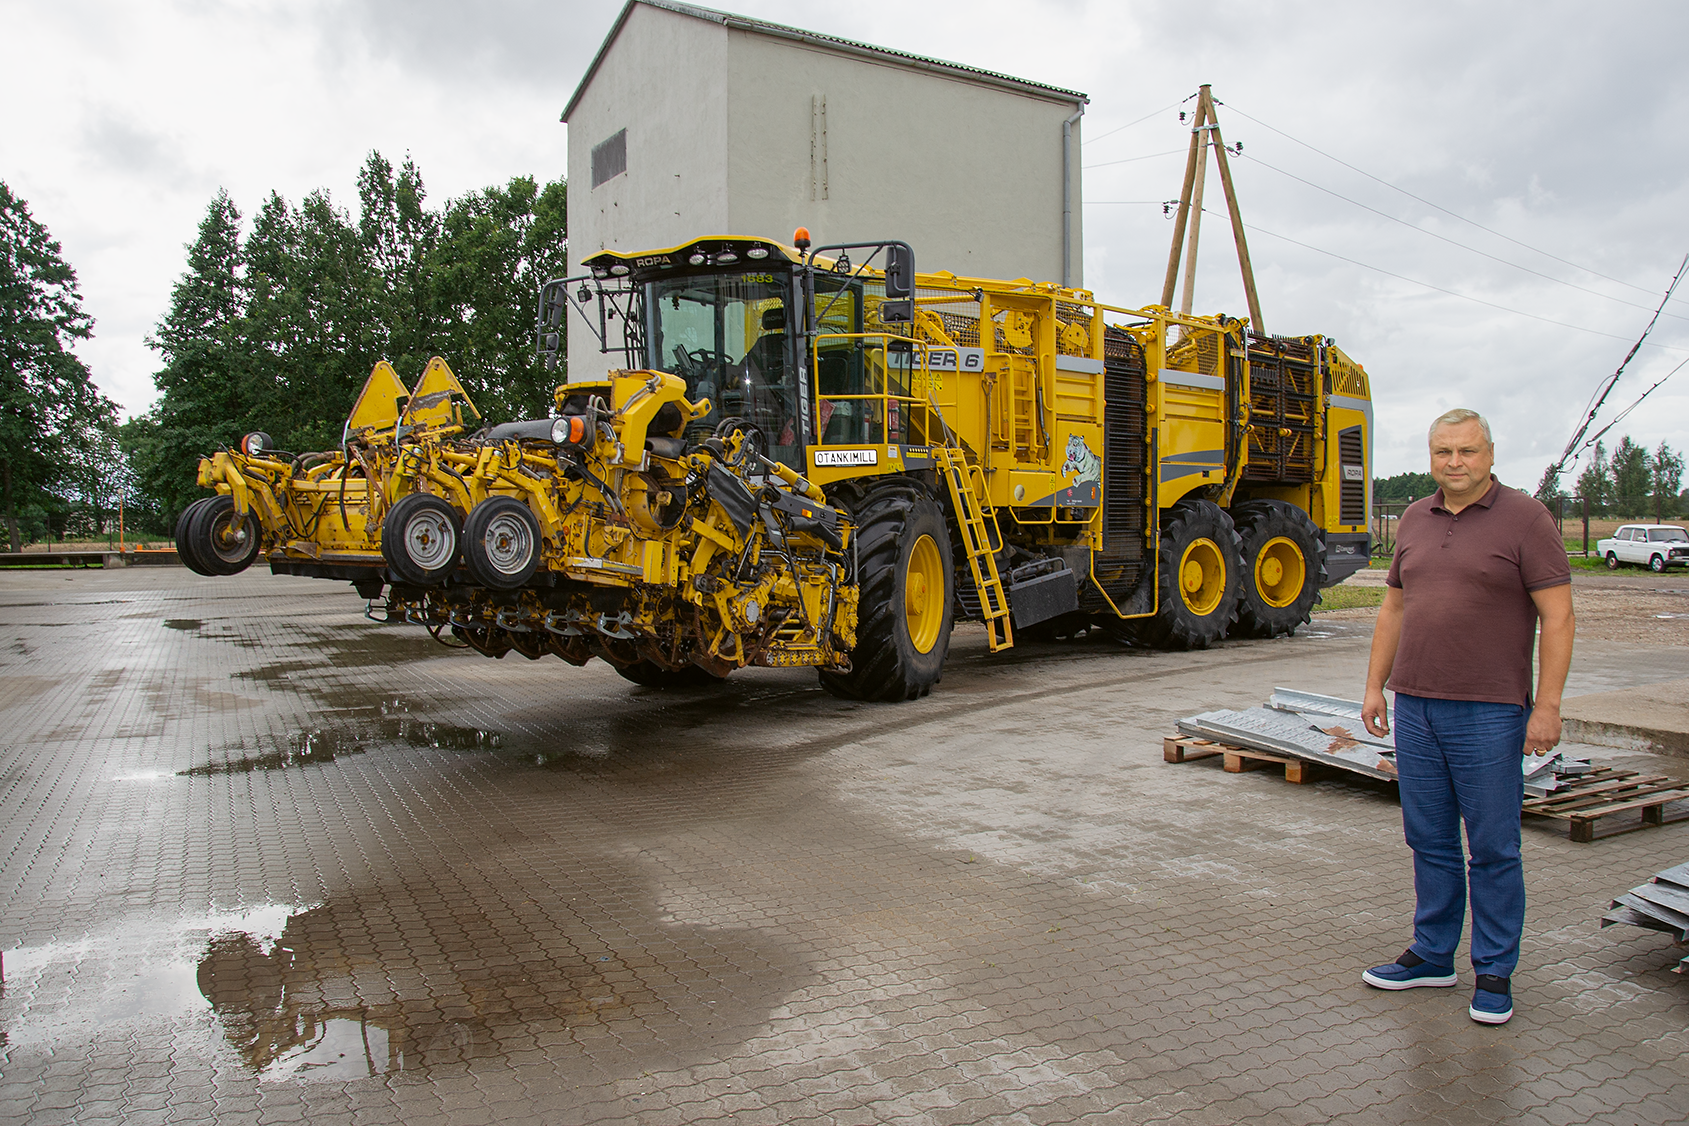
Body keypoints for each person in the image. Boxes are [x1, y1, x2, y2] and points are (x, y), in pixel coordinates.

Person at [1359, 408, 1574, 1025]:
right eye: (1443, 452)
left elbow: (1558, 618)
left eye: (1467, 451)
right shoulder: (1415, 520)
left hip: (1490, 710)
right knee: (1428, 838)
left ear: (1490, 453)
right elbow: (1393, 610)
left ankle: (1496, 971)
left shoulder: (1526, 519)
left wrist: (1548, 706)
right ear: (1431, 457)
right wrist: (1376, 687)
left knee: (1494, 846)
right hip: (1416, 704)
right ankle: (1432, 956)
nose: (1455, 463)